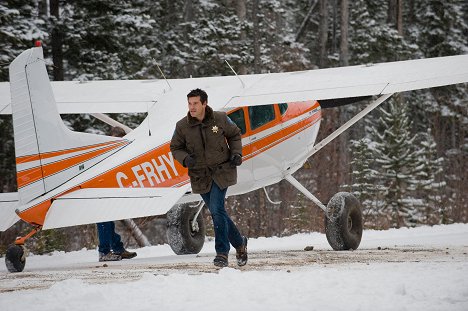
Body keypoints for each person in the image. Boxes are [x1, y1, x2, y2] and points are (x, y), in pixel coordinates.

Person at [170, 88, 248, 267]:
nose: (192, 107)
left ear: (204, 103)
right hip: (200, 176)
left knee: (216, 209)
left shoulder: (220, 118)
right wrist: (185, 158)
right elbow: (175, 147)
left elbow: (235, 134)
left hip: (222, 171)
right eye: (190, 104)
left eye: (195, 103)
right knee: (218, 211)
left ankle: (222, 252)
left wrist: (237, 153)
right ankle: (240, 243)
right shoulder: (182, 126)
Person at [96, 126, 137, 262]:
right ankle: (104, 252)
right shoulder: (105, 153)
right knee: (104, 221)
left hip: (107, 189)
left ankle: (117, 248)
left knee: (108, 222)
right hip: (99, 190)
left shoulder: (115, 152)